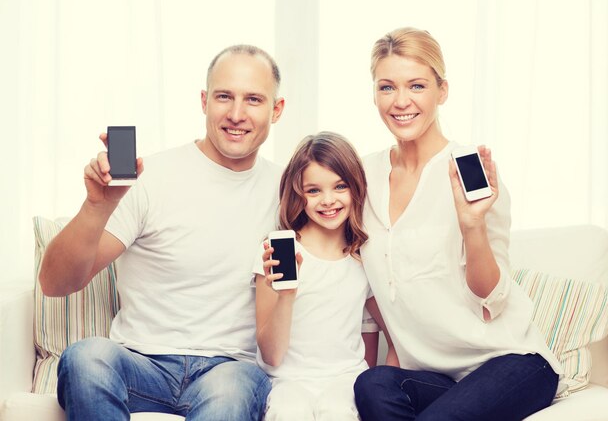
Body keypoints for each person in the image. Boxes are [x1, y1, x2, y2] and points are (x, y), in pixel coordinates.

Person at [38, 44, 285, 421]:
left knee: (232, 393)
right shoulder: (151, 178)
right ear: (204, 101)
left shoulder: (291, 193)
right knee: (85, 358)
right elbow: (55, 282)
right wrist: (97, 206)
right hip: (140, 363)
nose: (237, 114)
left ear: (276, 109)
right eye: (224, 96)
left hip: (228, 369)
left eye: (253, 99)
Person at [353, 27, 563, 421]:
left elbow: (491, 299)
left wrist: (472, 225)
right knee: (372, 384)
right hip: (437, 377)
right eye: (386, 87)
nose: (401, 102)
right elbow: (372, 287)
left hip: (510, 362)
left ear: (442, 91)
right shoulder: (363, 176)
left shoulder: (468, 169)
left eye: (417, 86)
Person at [254, 132, 391, 421]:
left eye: (340, 186)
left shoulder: (363, 256)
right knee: (289, 411)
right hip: (287, 381)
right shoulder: (277, 251)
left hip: (345, 380)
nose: (328, 201)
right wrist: (286, 296)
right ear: (297, 194)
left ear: (356, 187)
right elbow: (272, 356)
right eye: (313, 190)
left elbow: (384, 333)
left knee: (337, 412)